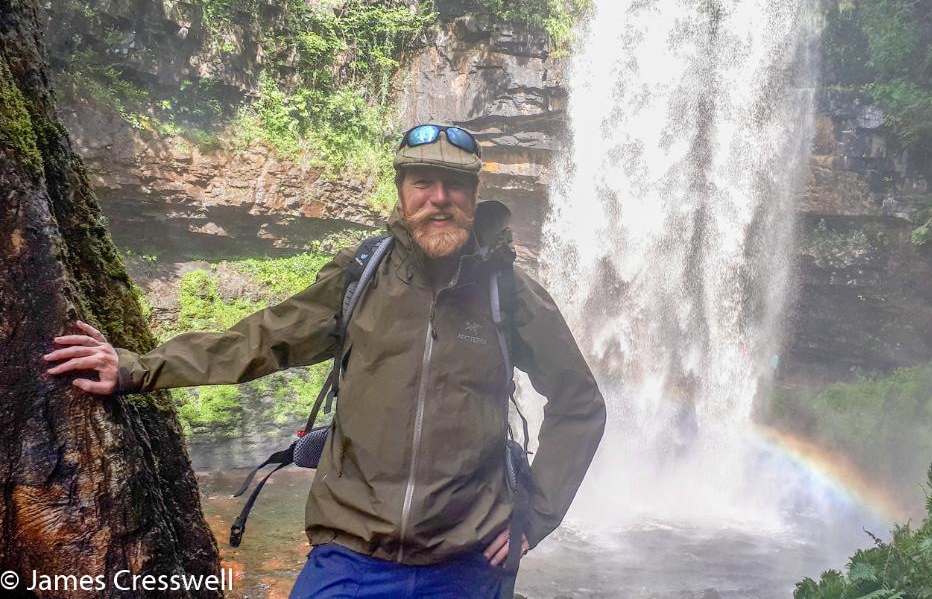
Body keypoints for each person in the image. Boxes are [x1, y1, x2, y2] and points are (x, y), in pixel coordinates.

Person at [44, 123, 607, 599]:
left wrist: (535, 514)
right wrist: (137, 368)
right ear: (401, 192)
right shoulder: (359, 279)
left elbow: (579, 402)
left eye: (455, 185)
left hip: (467, 565)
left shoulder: (509, 292)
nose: (439, 197)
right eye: (423, 182)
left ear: (474, 195)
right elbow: (259, 341)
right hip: (351, 556)